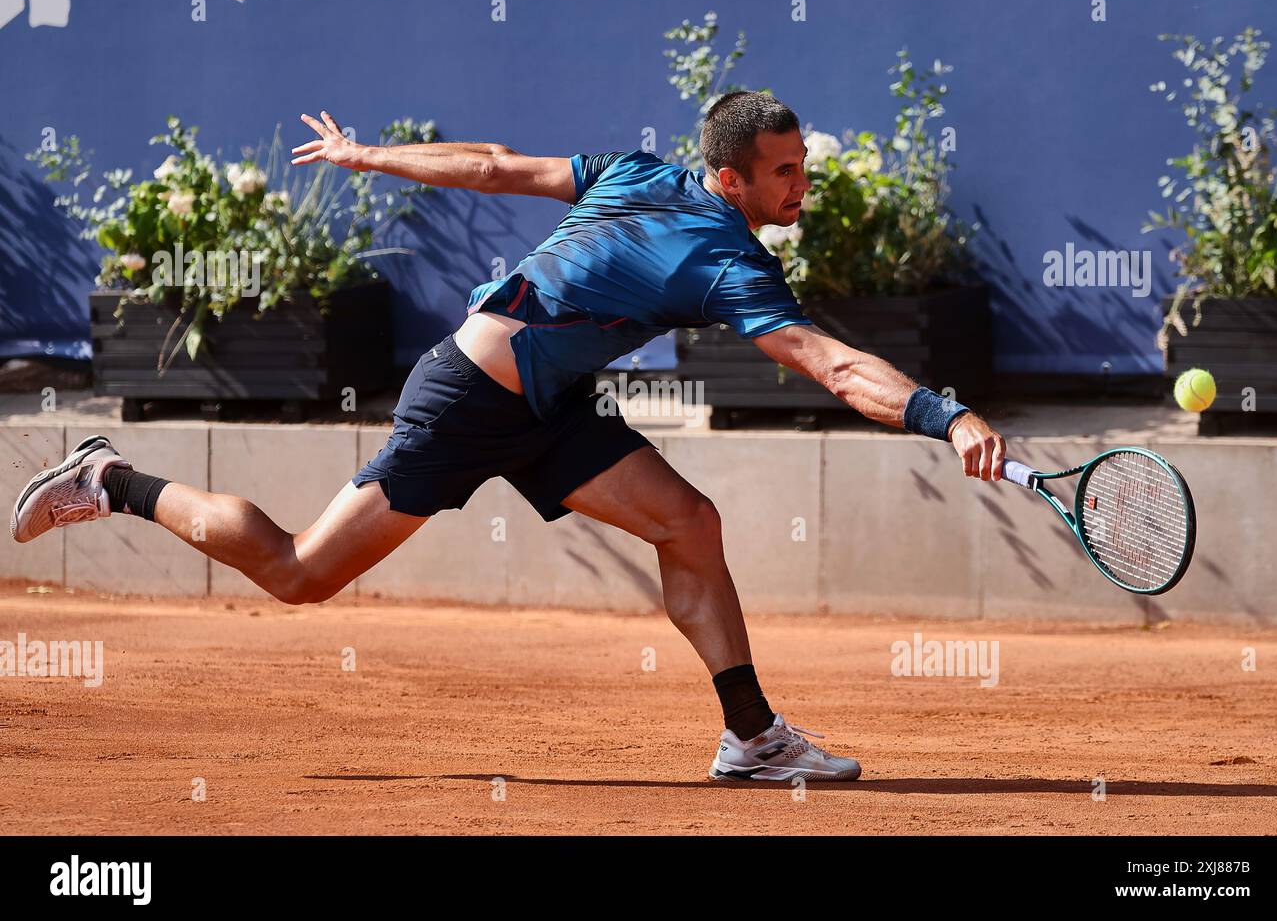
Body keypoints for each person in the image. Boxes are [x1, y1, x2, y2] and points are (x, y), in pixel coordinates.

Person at [11, 92, 1007, 782]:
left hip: (546, 402)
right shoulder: (728, 264)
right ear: (729, 178)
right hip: (467, 401)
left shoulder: (635, 171)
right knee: (300, 570)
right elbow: (831, 365)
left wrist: (368, 154)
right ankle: (113, 478)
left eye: (800, 167)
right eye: (782, 173)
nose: (801, 187)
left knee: (686, 520)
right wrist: (945, 414)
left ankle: (751, 735)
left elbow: (495, 167)